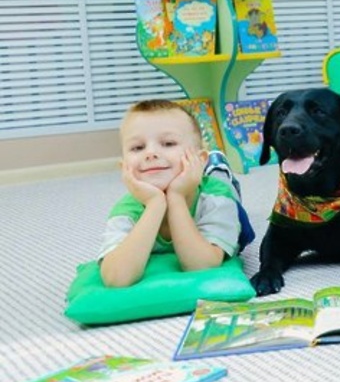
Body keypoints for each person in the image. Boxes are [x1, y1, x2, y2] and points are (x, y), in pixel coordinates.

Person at [98, 99, 254, 287]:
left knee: (226, 188)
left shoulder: (217, 198)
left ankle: (218, 168)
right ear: (123, 166)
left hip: (221, 202)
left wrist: (176, 197)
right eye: (138, 147)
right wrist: (155, 204)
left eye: (168, 143)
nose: (151, 153)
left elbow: (202, 265)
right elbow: (116, 278)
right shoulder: (126, 211)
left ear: (199, 159)